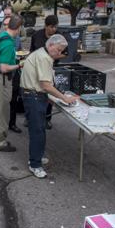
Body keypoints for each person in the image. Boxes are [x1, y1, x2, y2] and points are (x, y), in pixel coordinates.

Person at [20, 34, 78, 178]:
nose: (59, 53)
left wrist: (51, 97)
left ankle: (37, 157)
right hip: (33, 96)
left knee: (39, 129)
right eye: (58, 50)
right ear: (51, 45)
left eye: (61, 51)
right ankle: (35, 164)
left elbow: (45, 84)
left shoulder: (41, 52)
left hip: (32, 94)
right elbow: (45, 85)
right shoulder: (44, 57)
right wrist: (64, 98)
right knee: (37, 131)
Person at [0, 13, 23, 152]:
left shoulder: (2, 37)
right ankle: (0, 142)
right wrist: (19, 65)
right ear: (18, 27)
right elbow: (4, 67)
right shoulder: (8, 43)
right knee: (3, 112)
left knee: (0, 111)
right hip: (2, 80)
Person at [28, 15, 65, 130]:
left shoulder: (59, 37)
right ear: (46, 26)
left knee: (48, 92)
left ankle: (47, 118)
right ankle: (31, 117)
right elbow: (31, 51)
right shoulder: (36, 35)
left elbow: (66, 53)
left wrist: (53, 57)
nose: (54, 29)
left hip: (51, 68)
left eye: (55, 27)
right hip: (36, 69)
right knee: (34, 92)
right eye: (51, 27)